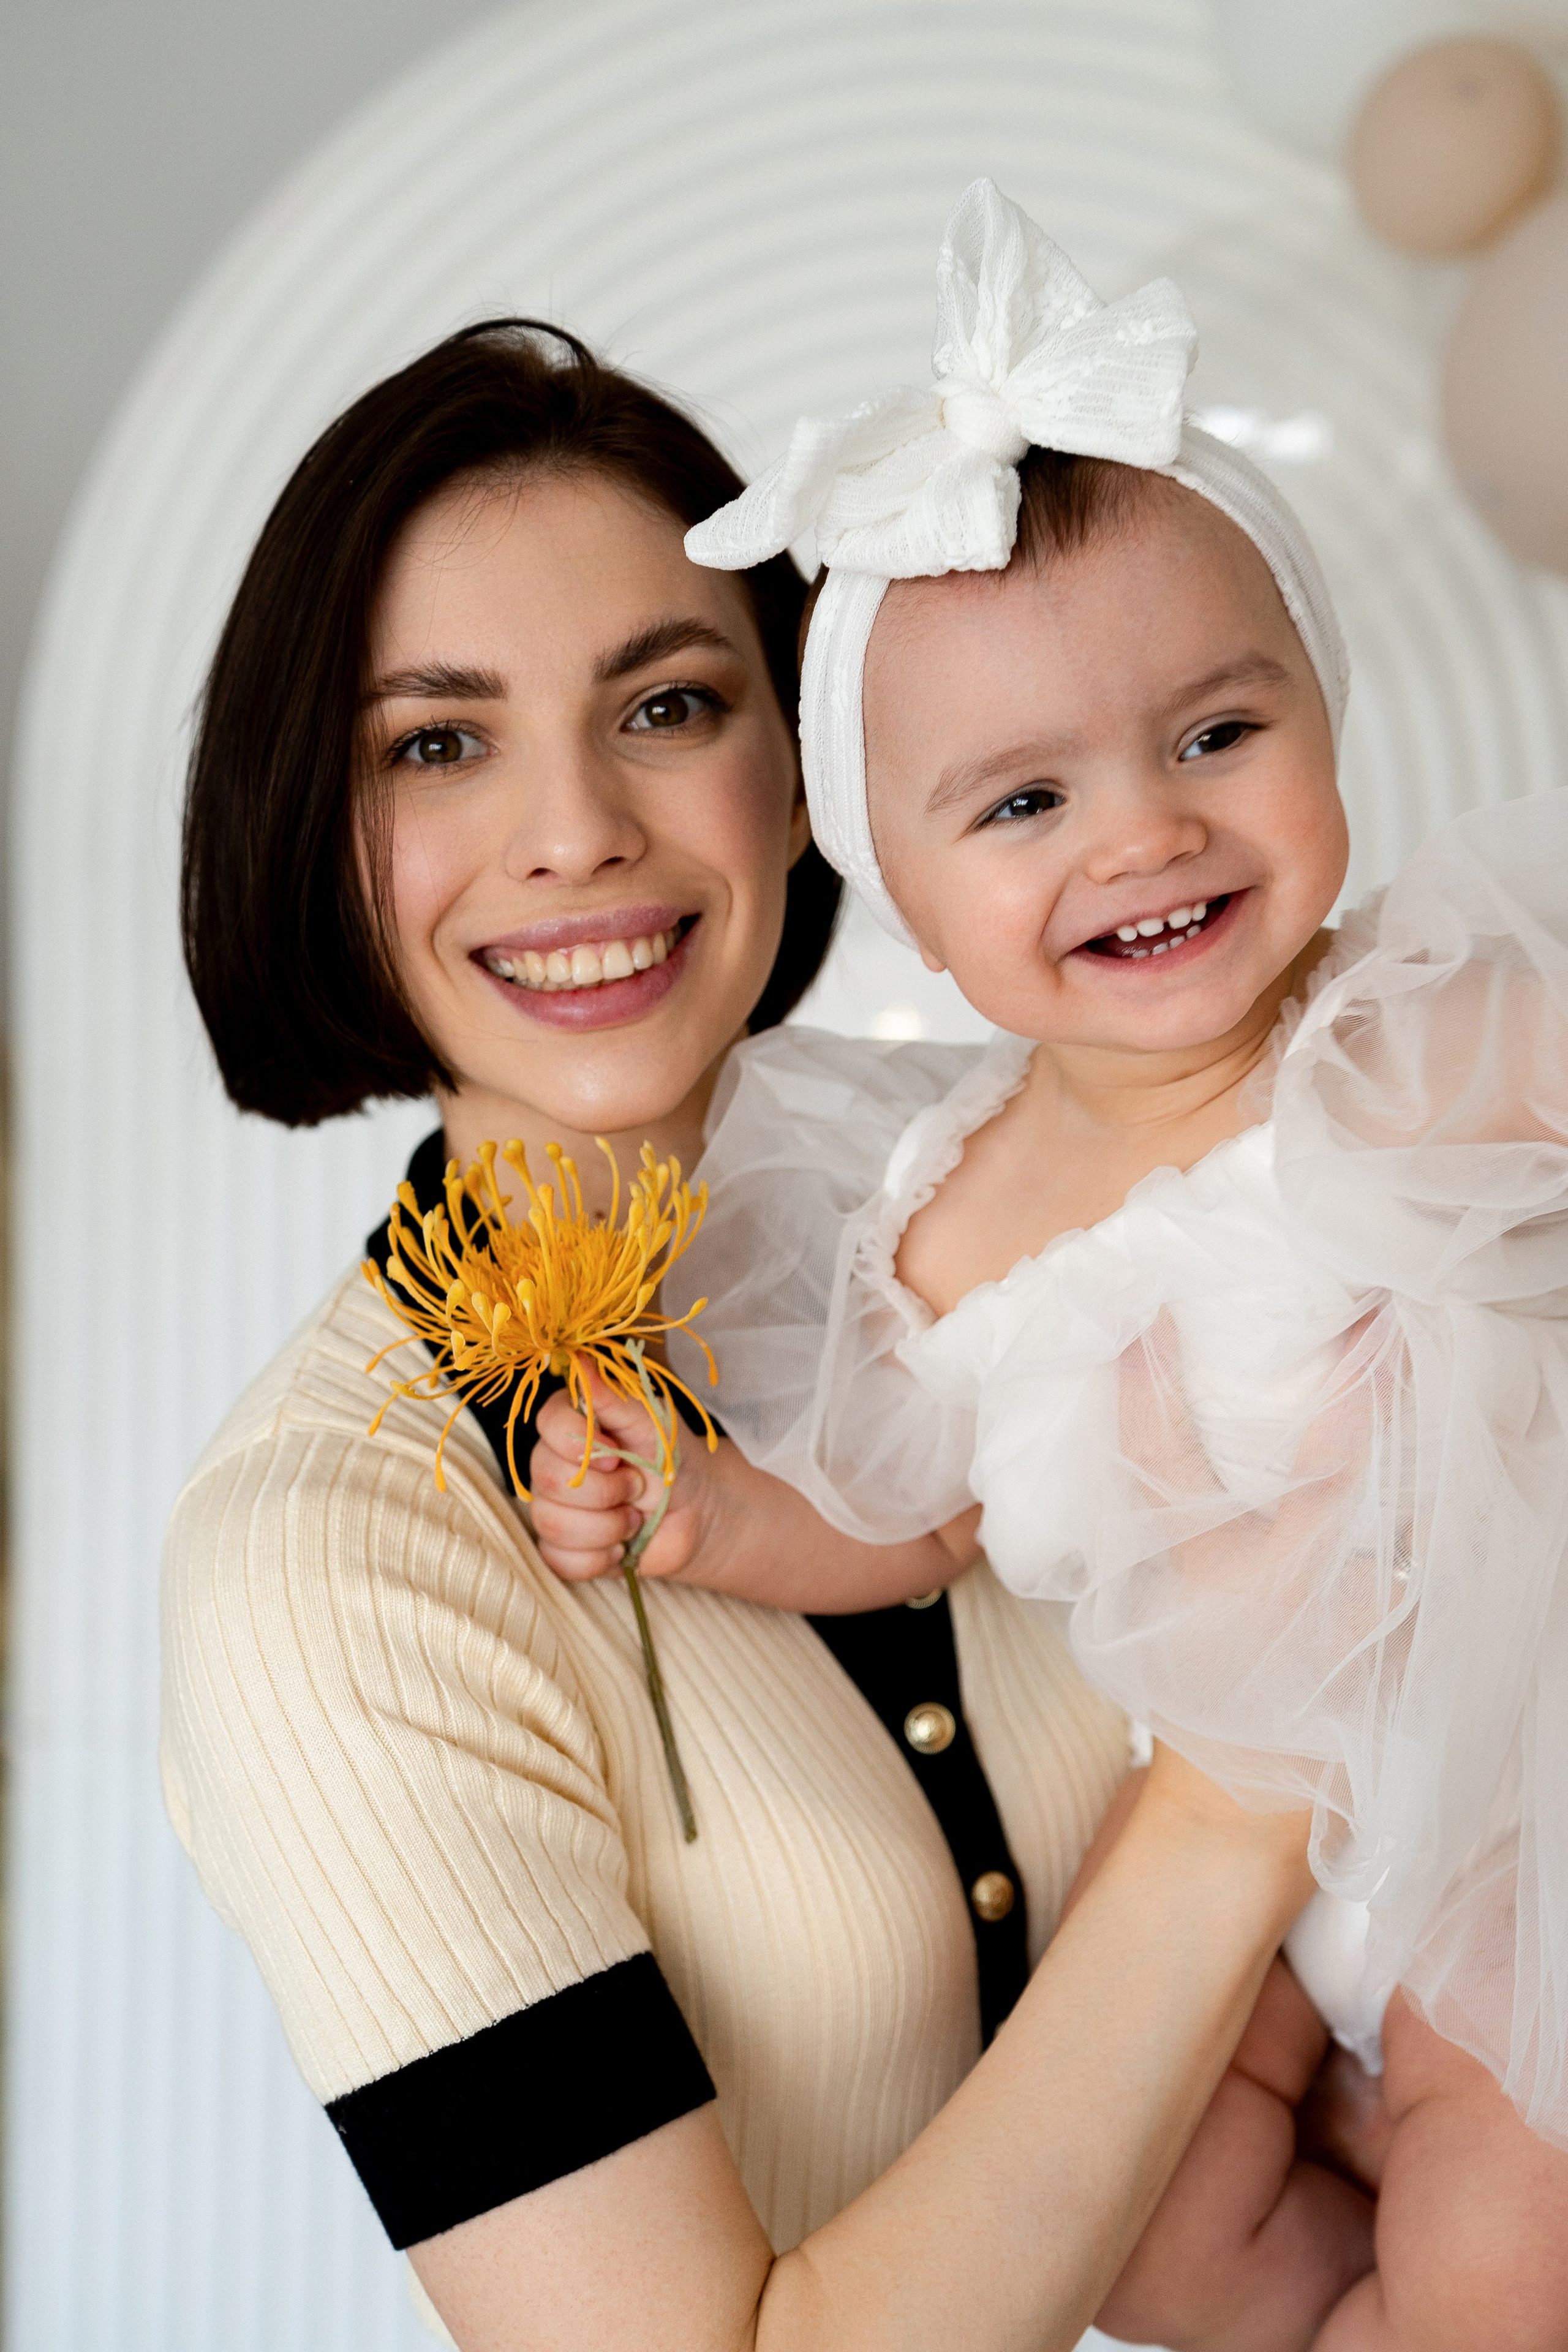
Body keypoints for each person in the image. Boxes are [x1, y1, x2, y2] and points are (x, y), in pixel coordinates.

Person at [161, 314, 1320, 2352]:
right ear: (313, 836)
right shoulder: (333, 1563)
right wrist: (1250, 1782)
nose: (580, 830)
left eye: (669, 704)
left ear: (809, 768)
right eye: (436, 741)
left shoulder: (1046, 1166)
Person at [529, 185, 1568, 2350]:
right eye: (1023, 804)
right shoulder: (954, 1206)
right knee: (1159, 2228)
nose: (1144, 834)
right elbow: (916, 1512)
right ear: (895, 877)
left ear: (1328, 717)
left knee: (1502, 2236)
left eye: (1217, 735)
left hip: (1503, 1821)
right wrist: (712, 1514)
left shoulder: (1422, 1041)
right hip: (1238, 1892)